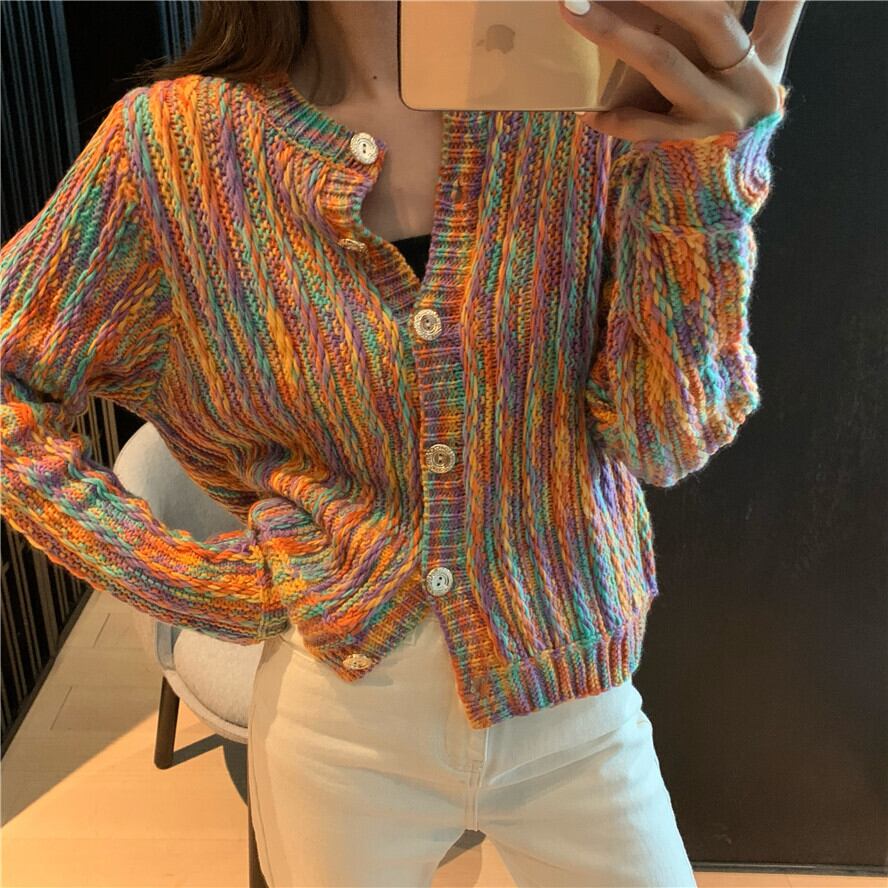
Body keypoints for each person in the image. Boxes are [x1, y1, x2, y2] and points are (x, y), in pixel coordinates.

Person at [0, 1, 804, 885]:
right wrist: (189, 579)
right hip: (339, 725)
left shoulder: (592, 105)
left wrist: (707, 184)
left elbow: (667, 437)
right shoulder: (173, 150)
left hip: (575, 698)